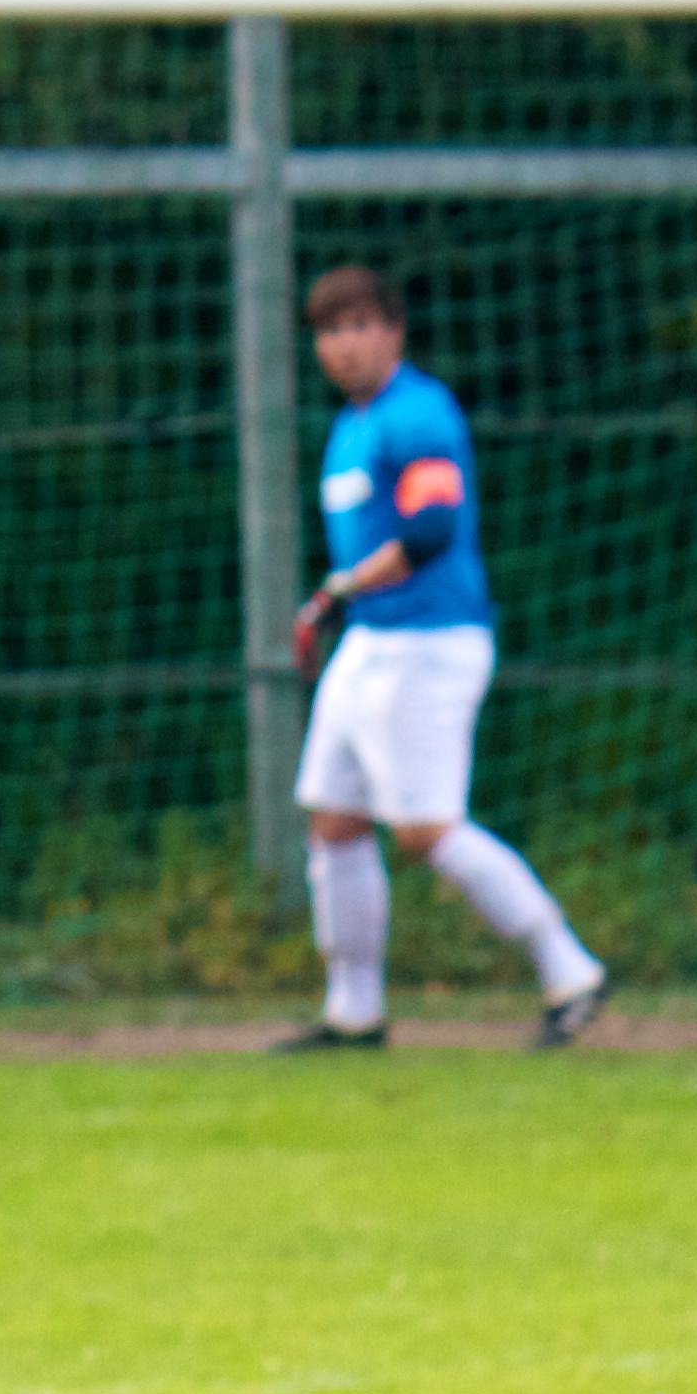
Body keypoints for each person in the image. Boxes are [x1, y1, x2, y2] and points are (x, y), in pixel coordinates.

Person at [278, 263, 612, 1053]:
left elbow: (431, 530)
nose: (345, 344)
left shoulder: (417, 414)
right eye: (330, 331)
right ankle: (354, 1013)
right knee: (334, 818)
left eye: (361, 326)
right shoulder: (352, 425)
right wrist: (344, 602)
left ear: (394, 331)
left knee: (427, 829)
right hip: (373, 642)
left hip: (428, 641)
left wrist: (336, 592)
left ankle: (571, 971)